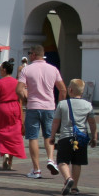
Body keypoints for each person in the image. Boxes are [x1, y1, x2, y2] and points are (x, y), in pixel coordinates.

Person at [17, 44, 66, 179]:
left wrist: (25, 99)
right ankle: (50, 159)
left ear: (33, 54)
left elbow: (19, 89)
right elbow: (62, 89)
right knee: (49, 135)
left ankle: (36, 169)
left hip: (33, 106)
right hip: (49, 107)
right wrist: (59, 104)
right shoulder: (53, 69)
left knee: (32, 137)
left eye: (29, 53)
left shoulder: (26, 70)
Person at [50, 79, 97, 195]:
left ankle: (68, 178)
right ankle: (74, 186)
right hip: (81, 137)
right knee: (77, 162)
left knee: (62, 161)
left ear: (70, 90)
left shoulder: (63, 104)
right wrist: (94, 137)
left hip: (66, 136)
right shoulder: (88, 105)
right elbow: (92, 122)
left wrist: (52, 136)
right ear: (82, 92)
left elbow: (56, 122)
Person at [0, 60, 25, 170]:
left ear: (4, 70)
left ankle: (5, 153)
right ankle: (10, 160)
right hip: (15, 107)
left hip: (3, 107)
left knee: (2, 131)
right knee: (14, 133)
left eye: (0, 69)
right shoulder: (17, 82)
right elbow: (21, 98)